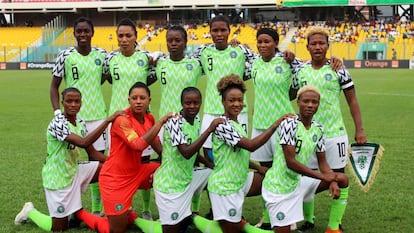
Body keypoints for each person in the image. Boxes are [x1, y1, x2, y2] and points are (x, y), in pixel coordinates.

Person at [193, 74, 293, 233]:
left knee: (272, 180)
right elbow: (252, 146)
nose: (237, 104)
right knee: (229, 230)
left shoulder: (237, 124)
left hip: (240, 179)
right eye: (231, 100)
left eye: (240, 100)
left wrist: (257, 168)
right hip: (225, 186)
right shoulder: (222, 125)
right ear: (223, 102)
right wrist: (277, 123)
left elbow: (240, 154)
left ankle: (274, 219)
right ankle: (193, 218)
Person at [14, 87, 123, 232]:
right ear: (62, 102)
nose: (73, 104)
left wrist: (117, 162)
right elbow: (83, 142)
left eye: (76, 101)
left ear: (81, 103)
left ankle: (107, 212)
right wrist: (108, 121)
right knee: (59, 228)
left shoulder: (80, 122)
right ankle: (30, 211)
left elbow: (92, 152)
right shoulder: (57, 123)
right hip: (58, 177)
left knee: (107, 169)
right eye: (69, 101)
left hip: (74, 169)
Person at [291, 26, 366, 232]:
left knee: (338, 177)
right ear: (307, 47)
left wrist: (359, 129)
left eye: (321, 43)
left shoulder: (338, 69)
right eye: (313, 43)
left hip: (334, 134)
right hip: (307, 134)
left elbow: (352, 101)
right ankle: (308, 219)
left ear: (327, 46)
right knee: (305, 175)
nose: (317, 47)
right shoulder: (300, 71)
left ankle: (334, 225)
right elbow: (287, 93)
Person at [262, 85, 350, 233]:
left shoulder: (318, 129)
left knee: (342, 178)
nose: (310, 105)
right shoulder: (288, 124)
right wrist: (324, 177)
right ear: (298, 102)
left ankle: (333, 228)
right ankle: (245, 228)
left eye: (314, 102)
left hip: (298, 183)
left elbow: (322, 162)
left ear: (318, 104)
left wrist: (332, 180)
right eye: (306, 101)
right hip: (279, 187)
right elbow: (291, 163)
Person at [99, 82, 175, 233]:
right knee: (118, 229)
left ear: (149, 100)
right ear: (129, 100)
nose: (138, 101)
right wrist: (160, 123)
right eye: (134, 98)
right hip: (116, 179)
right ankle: (83, 215)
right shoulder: (123, 120)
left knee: (171, 173)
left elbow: (157, 146)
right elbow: (138, 145)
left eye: (142, 98)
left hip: (137, 171)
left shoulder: (149, 119)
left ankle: (173, 215)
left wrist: (173, 161)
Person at [49, 16, 108, 215]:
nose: (83, 35)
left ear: (92, 33)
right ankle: (72, 206)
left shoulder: (102, 55)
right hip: (72, 120)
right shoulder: (64, 56)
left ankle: (97, 209)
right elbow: (54, 86)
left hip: (98, 117)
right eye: (79, 31)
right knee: (69, 162)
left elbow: (112, 74)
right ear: (74, 34)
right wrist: (58, 113)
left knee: (98, 164)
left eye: (86, 31)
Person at [104, 18, 157, 220]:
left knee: (143, 162)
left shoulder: (146, 58)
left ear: (136, 37)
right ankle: (115, 206)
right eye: (120, 36)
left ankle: (145, 209)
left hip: (141, 119)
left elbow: (152, 78)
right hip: (119, 121)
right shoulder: (110, 59)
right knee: (117, 163)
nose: (124, 39)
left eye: (128, 35)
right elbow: (107, 78)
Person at [153, 87, 225, 233]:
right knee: (173, 230)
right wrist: (209, 130)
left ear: (201, 103)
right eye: (188, 103)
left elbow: (193, 150)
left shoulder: (196, 120)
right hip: (170, 185)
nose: (192, 106)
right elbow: (186, 152)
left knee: (218, 175)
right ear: (181, 103)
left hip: (188, 178)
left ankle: (219, 215)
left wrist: (209, 164)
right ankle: (136, 219)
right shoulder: (174, 122)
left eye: (196, 103)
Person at [192, 15, 257, 162]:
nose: (219, 34)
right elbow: (187, 62)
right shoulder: (203, 51)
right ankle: (215, 177)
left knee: (239, 149)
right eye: (215, 30)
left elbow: (258, 64)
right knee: (208, 148)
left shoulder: (240, 50)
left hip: (238, 109)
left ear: (229, 31)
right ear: (210, 32)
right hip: (211, 108)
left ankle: (238, 178)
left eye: (223, 30)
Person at [155, 25, 202, 140]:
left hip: (189, 119)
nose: (173, 43)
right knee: (165, 155)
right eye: (170, 41)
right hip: (165, 118)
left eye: (178, 40)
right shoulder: (159, 63)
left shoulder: (196, 64)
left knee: (190, 154)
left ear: (185, 42)